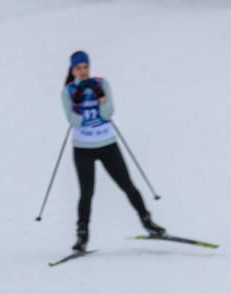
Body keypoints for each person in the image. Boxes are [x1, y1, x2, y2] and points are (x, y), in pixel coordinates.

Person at [62, 51, 163, 255]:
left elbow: (108, 115)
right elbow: (75, 122)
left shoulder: (101, 83)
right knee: (87, 193)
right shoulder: (69, 92)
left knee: (127, 184)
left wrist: (99, 95)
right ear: (72, 70)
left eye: (85, 67)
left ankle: (148, 221)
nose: (83, 71)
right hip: (83, 149)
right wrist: (79, 101)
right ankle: (82, 236)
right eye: (78, 68)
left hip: (107, 144)